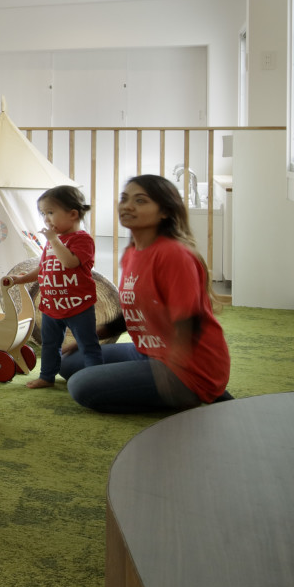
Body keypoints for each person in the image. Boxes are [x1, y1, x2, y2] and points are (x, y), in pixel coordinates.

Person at [58, 174, 231, 413]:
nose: (128, 206)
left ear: (165, 212)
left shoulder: (173, 254)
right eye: (124, 198)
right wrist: (90, 337)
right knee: (68, 363)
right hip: (147, 352)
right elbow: (137, 312)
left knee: (81, 386)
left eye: (140, 200)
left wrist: (169, 376)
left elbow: (190, 321)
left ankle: (196, 393)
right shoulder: (133, 253)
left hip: (187, 366)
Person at [2, 184, 100, 389]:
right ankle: (47, 376)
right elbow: (43, 267)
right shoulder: (54, 242)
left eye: (50, 212)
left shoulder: (82, 239)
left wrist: (54, 240)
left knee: (87, 344)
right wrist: (22, 279)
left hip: (78, 306)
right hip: (52, 305)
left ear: (73, 214)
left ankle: (97, 379)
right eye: (43, 213)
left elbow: (70, 262)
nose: (46, 218)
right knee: (49, 344)